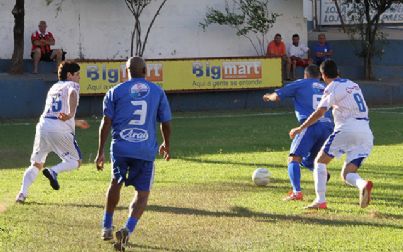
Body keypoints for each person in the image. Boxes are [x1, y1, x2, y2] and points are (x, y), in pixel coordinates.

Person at [95, 56, 172, 251]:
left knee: (115, 183)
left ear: (126, 71)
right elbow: (166, 122)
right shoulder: (157, 91)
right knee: (143, 194)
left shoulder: (115, 91)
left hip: (121, 148)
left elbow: (106, 122)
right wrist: (166, 144)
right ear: (146, 71)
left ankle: (106, 226)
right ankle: (127, 229)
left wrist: (100, 152)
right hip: (144, 149)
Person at [289, 59, 373, 209]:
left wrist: (300, 128)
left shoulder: (331, 87)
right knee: (347, 174)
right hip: (366, 131)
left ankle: (320, 201)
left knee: (319, 162)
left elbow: (320, 112)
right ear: (338, 71)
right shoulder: (353, 84)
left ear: (323, 75)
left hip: (347, 128)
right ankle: (363, 184)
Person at [16, 61, 89, 203]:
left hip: (43, 127)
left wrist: (75, 121)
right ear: (69, 75)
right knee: (76, 161)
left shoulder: (54, 87)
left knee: (36, 164)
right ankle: (53, 171)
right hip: (59, 129)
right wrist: (70, 114)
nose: (79, 77)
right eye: (77, 74)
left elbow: (54, 113)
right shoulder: (72, 85)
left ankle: (21, 194)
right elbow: (73, 94)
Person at [263, 65, 333, 201]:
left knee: (293, 158)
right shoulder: (326, 87)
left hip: (310, 125)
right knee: (309, 161)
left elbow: (277, 97)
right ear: (319, 76)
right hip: (328, 127)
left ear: (305, 75)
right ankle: (324, 175)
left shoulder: (300, 83)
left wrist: (267, 96)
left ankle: (297, 192)